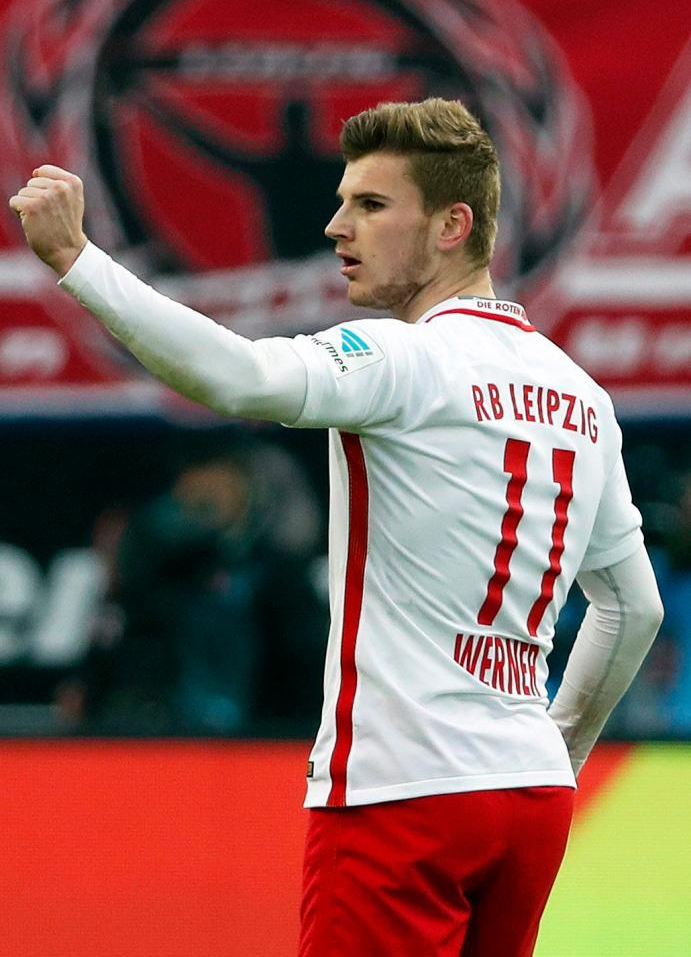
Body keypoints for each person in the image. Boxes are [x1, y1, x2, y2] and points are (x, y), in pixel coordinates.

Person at [9, 98, 663, 956]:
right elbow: (633, 607)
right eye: (342, 201)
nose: (335, 226)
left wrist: (78, 260)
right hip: (527, 800)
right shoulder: (581, 395)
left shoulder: (403, 358)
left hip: (404, 790)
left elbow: (239, 378)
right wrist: (554, 751)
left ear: (451, 226)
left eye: (371, 204)